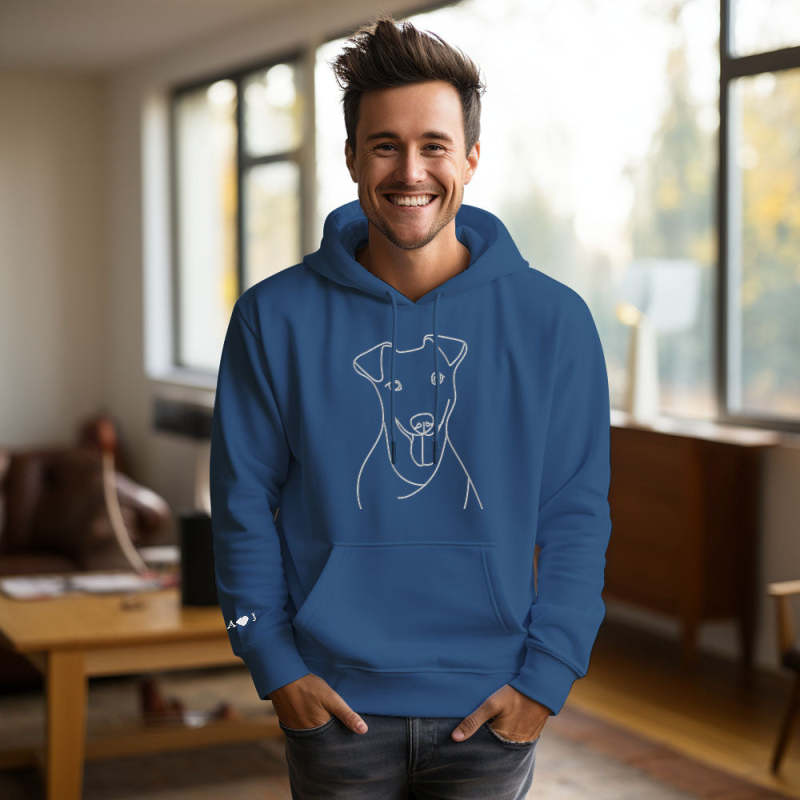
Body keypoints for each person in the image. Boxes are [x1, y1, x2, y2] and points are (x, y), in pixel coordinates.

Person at [210, 14, 612, 800]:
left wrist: (547, 677)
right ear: (351, 157)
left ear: (471, 158)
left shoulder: (554, 322)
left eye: (434, 145)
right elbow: (241, 502)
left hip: (492, 706)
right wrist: (273, 663)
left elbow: (576, 514)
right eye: (385, 145)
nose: (411, 171)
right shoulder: (273, 317)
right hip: (333, 705)